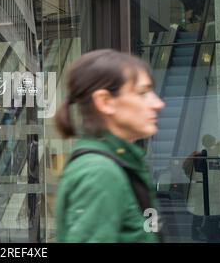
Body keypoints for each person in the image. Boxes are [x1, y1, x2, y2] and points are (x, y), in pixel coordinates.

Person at [54, 49, 165, 242]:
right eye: (143, 93)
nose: (158, 103)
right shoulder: (100, 172)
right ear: (105, 102)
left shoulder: (120, 162)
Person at [183, 134, 220, 242]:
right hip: (202, 187)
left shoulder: (214, 156)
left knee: (215, 211)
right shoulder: (201, 156)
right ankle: (199, 232)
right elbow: (191, 170)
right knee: (200, 212)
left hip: (212, 187)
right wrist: (198, 179)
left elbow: (218, 172)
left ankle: (211, 231)